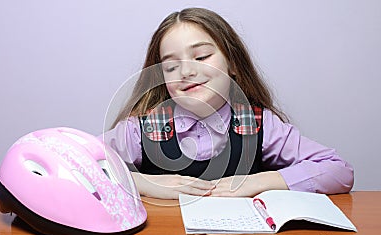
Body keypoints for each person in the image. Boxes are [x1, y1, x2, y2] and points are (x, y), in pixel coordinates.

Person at [102, 7, 353, 199]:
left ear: (232, 64)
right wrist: (144, 183)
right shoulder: (140, 129)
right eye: (171, 66)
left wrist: (262, 182)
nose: (186, 71)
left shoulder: (259, 124)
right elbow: (77, 163)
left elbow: (338, 170)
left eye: (201, 56)